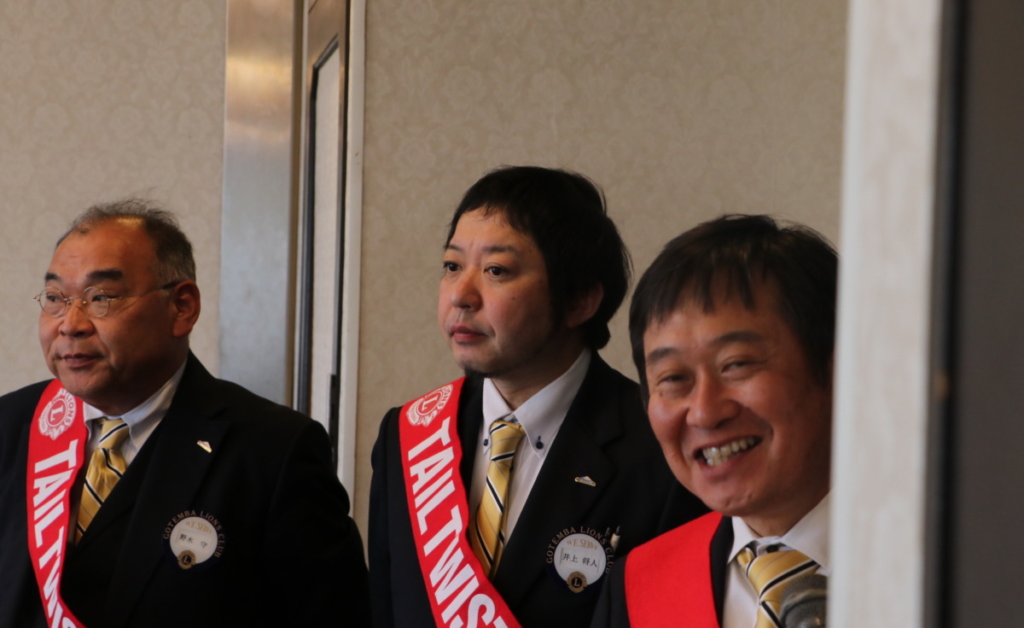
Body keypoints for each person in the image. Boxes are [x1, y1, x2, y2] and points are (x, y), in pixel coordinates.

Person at [0, 200, 370, 628]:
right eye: (55, 299)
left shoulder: (273, 451)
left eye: (101, 297)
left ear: (182, 307)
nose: (70, 324)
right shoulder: (12, 426)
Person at [368, 166, 706, 628]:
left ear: (580, 301)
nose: (461, 295)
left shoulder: (661, 446)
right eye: (452, 266)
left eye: (496, 271)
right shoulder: (408, 435)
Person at [590, 214, 838, 628]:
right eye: (673, 379)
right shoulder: (638, 586)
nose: (704, 411)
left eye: (736, 364)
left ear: (837, 369)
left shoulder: (942, 558)